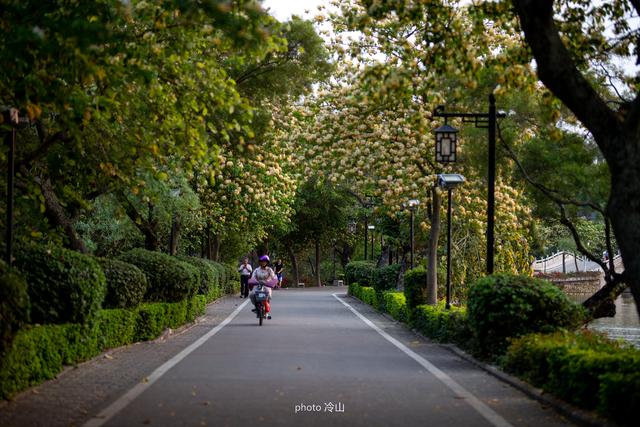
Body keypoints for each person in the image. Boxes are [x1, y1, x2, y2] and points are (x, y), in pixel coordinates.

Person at [248, 255, 277, 319]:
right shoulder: (256, 270)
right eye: (262, 261)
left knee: (268, 295)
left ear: (267, 262)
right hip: (257, 284)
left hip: (267, 285)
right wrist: (253, 281)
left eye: (265, 262)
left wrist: (274, 281)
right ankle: (256, 306)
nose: (263, 263)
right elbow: (253, 277)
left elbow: (273, 277)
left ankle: (266, 312)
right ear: (260, 262)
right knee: (252, 295)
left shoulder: (269, 270)